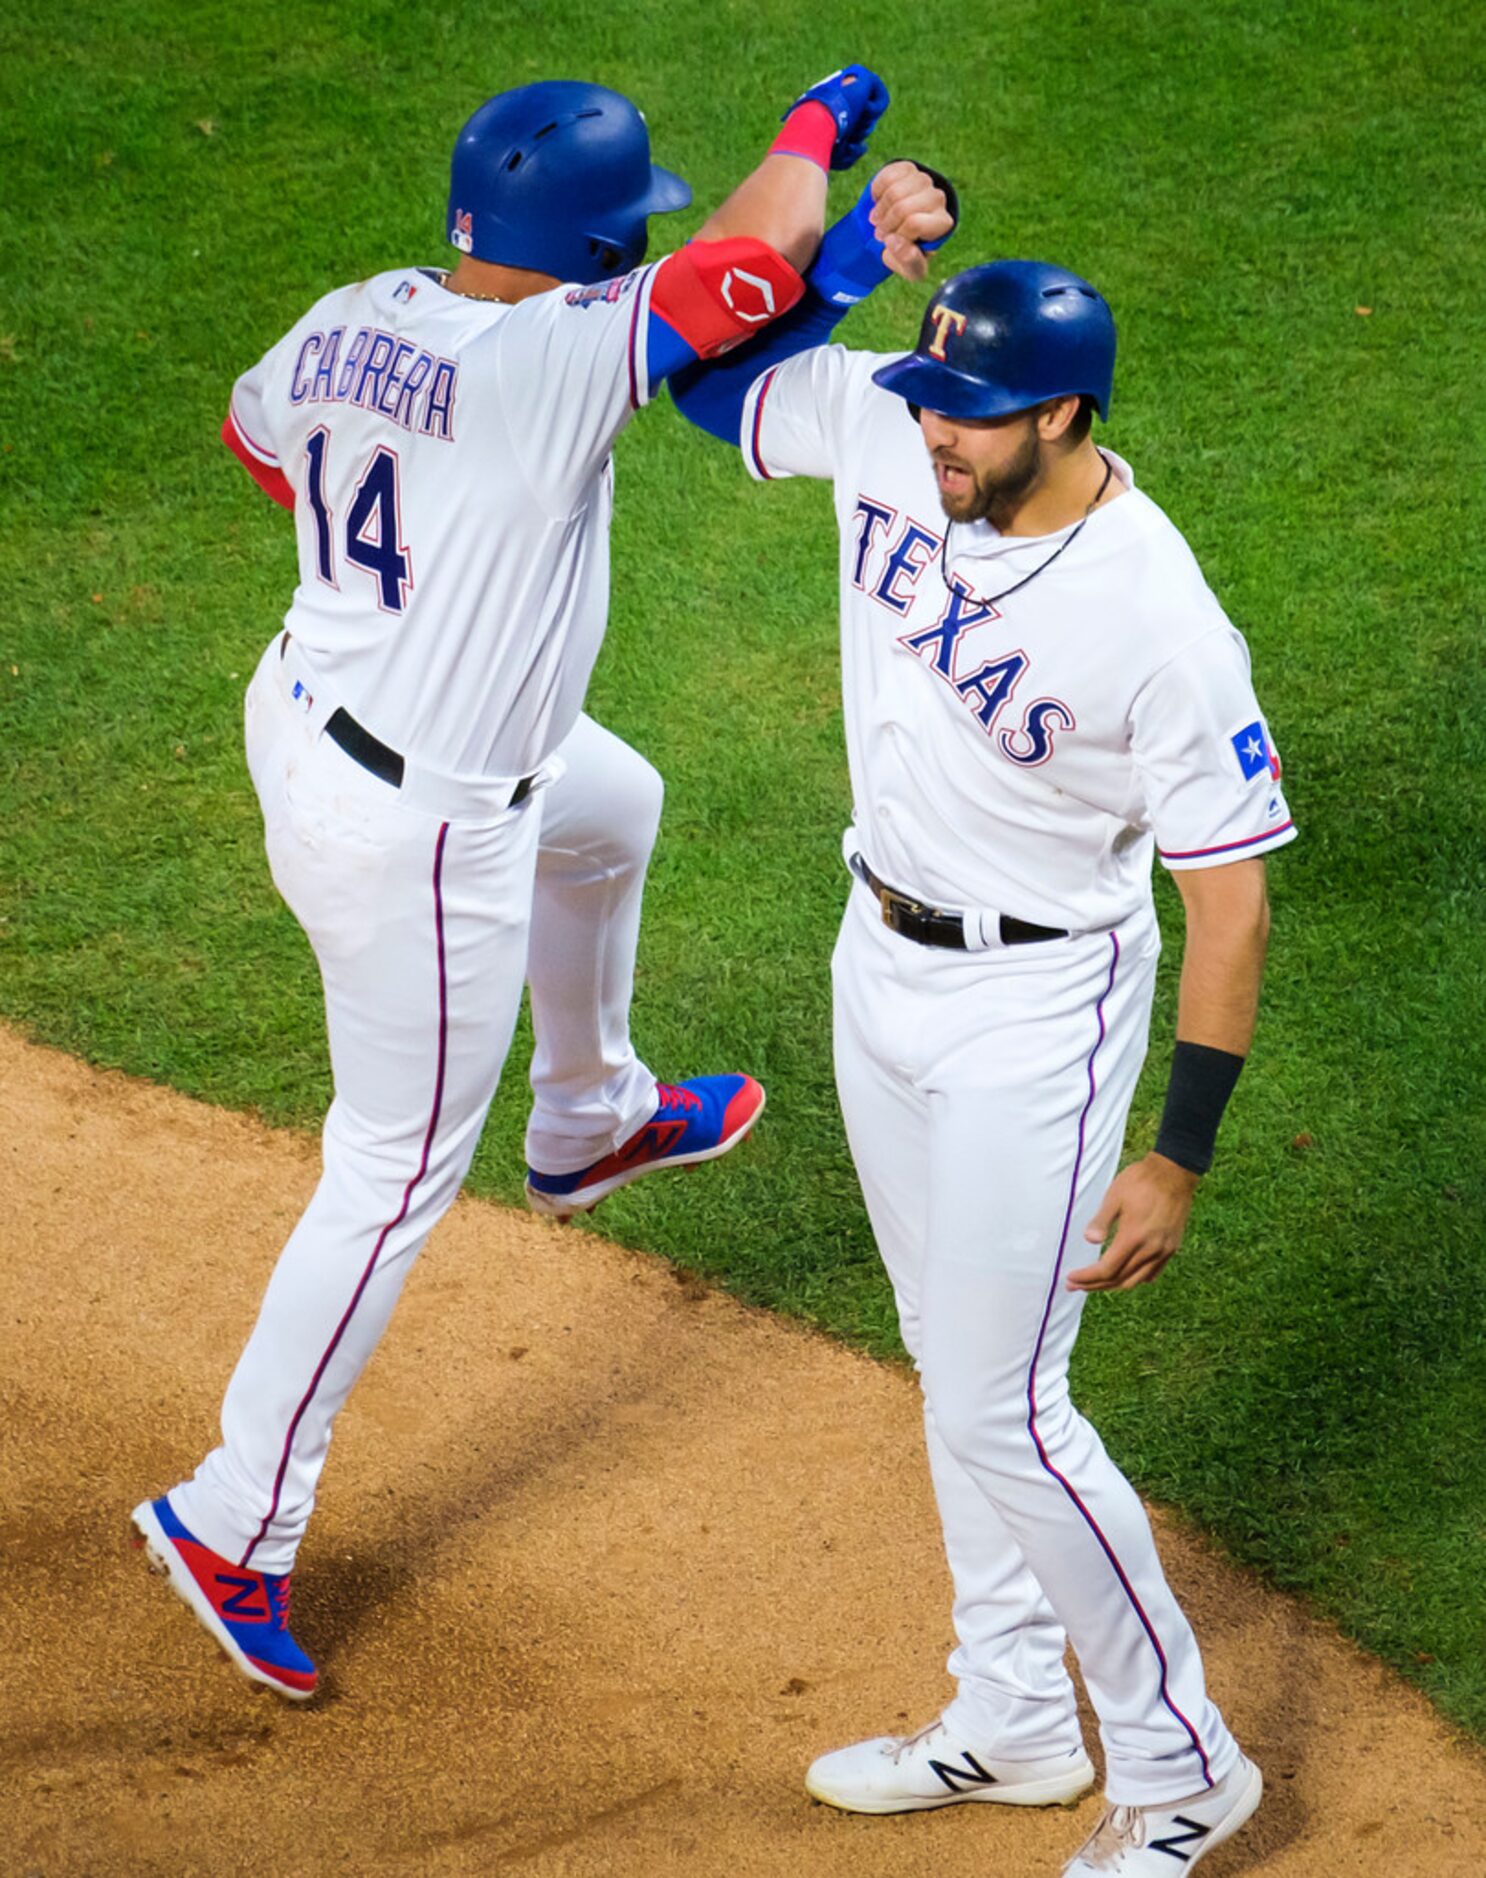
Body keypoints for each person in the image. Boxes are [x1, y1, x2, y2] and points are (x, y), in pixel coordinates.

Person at [129, 66, 900, 1700]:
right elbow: (745, 270)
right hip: (419, 831)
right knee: (392, 1170)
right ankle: (232, 1515)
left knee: (615, 802)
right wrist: (819, 123)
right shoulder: (555, 362)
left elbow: (256, 438)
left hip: (312, 703)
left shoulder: (359, 310)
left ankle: (589, 1110)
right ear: (599, 244)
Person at [671, 257, 1292, 1872]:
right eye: (927, 399)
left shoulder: (1157, 612)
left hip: (1042, 1011)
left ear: (1062, 412)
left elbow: (1226, 898)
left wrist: (1181, 1150)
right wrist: (833, 269)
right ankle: (1013, 1721)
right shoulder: (898, 425)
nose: (931, 433)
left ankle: (1183, 1766)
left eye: (967, 414)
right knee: (948, 1364)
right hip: (871, 958)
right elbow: (698, 375)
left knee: (1006, 1401)